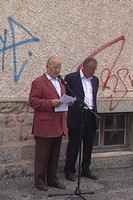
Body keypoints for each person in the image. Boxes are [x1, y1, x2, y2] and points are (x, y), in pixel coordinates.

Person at [29, 55, 70, 191]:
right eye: (55, 67)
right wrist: (50, 103)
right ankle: (39, 181)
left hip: (58, 124)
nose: (57, 70)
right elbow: (33, 101)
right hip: (44, 125)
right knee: (42, 155)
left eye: (59, 67)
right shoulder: (39, 82)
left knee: (54, 155)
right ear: (47, 67)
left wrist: (68, 101)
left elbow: (61, 99)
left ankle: (52, 179)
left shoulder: (61, 83)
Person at [64, 57, 99, 182]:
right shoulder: (71, 78)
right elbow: (66, 96)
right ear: (84, 66)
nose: (93, 72)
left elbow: (93, 97)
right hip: (78, 115)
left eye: (95, 69)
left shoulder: (95, 80)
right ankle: (69, 170)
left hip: (90, 113)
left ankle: (85, 168)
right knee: (74, 144)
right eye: (91, 69)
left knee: (88, 144)